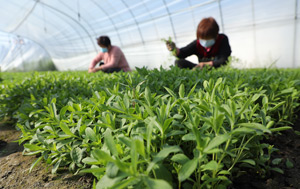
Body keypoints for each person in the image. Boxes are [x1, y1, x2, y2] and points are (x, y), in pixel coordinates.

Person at [166, 17, 231, 69]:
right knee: (179, 62)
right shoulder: (197, 44)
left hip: (216, 68)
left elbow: (224, 60)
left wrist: (206, 64)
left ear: (216, 35)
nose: (205, 42)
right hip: (200, 68)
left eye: (208, 39)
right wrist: (174, 49)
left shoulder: (222, 39)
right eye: (202, 39)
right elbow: (183, 53)